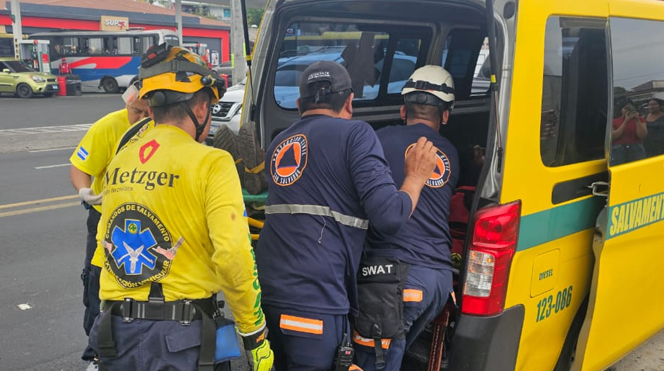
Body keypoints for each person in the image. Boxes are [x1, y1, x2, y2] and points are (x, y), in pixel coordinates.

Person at [87, 44, 274, 371]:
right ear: (201, 109)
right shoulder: (212, 161)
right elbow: (233, 255)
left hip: (114, 332)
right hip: (180, 341)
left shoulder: (121, 161)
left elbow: (106, 247)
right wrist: (254, 334)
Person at [255, 60, 439, 371]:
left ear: (300, 103)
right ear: (350, 102)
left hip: (267, 297)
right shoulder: (356, 135)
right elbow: (390, 216)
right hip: (316, 303)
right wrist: (416, 177)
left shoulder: (278, 142)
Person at [354, 65, 460, 371]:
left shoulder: (376, 140)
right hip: (438, 281)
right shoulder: (451, 153)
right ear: (445, 115)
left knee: (370, 364)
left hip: (394, 277)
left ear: (403, 109)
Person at [69, 79, 152, 369]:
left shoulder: (167, 131)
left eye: (148, 112)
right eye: (136, 111)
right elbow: (81, 166)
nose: (141, 118)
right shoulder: (108, 127)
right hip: (108, 219)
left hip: (151, 220)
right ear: (127, 102)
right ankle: (96, 353)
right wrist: (85, 192)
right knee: (98, 283)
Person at [611, 98, 648, 165]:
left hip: (636, 149)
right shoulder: (614, 121)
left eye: (630, 108)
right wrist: (626, 121)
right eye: (626, 108)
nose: (628, 110)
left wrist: (637, 120)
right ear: (621, 110)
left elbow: (642, 135)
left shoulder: (640, 120)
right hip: (618, 150)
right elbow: (613, 137)